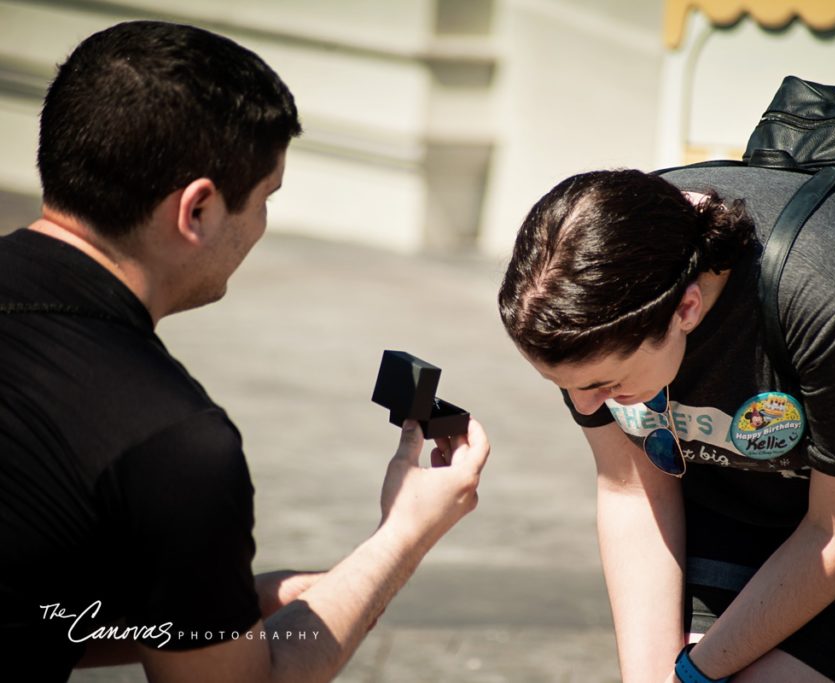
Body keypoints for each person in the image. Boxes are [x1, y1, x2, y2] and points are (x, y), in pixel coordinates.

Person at [0, 20, 489, 683]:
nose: (262, 226)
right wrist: (404, 534)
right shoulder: (172, 442)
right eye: (265, 198)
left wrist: (218, 602)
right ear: (197, 210)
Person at [498, 166, 835, 682]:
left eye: (605, 384)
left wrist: (696, 674)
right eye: (562, 385)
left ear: (685, 309)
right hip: (753, 476)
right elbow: (632, 490)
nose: (587, 407)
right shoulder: (596, 284)